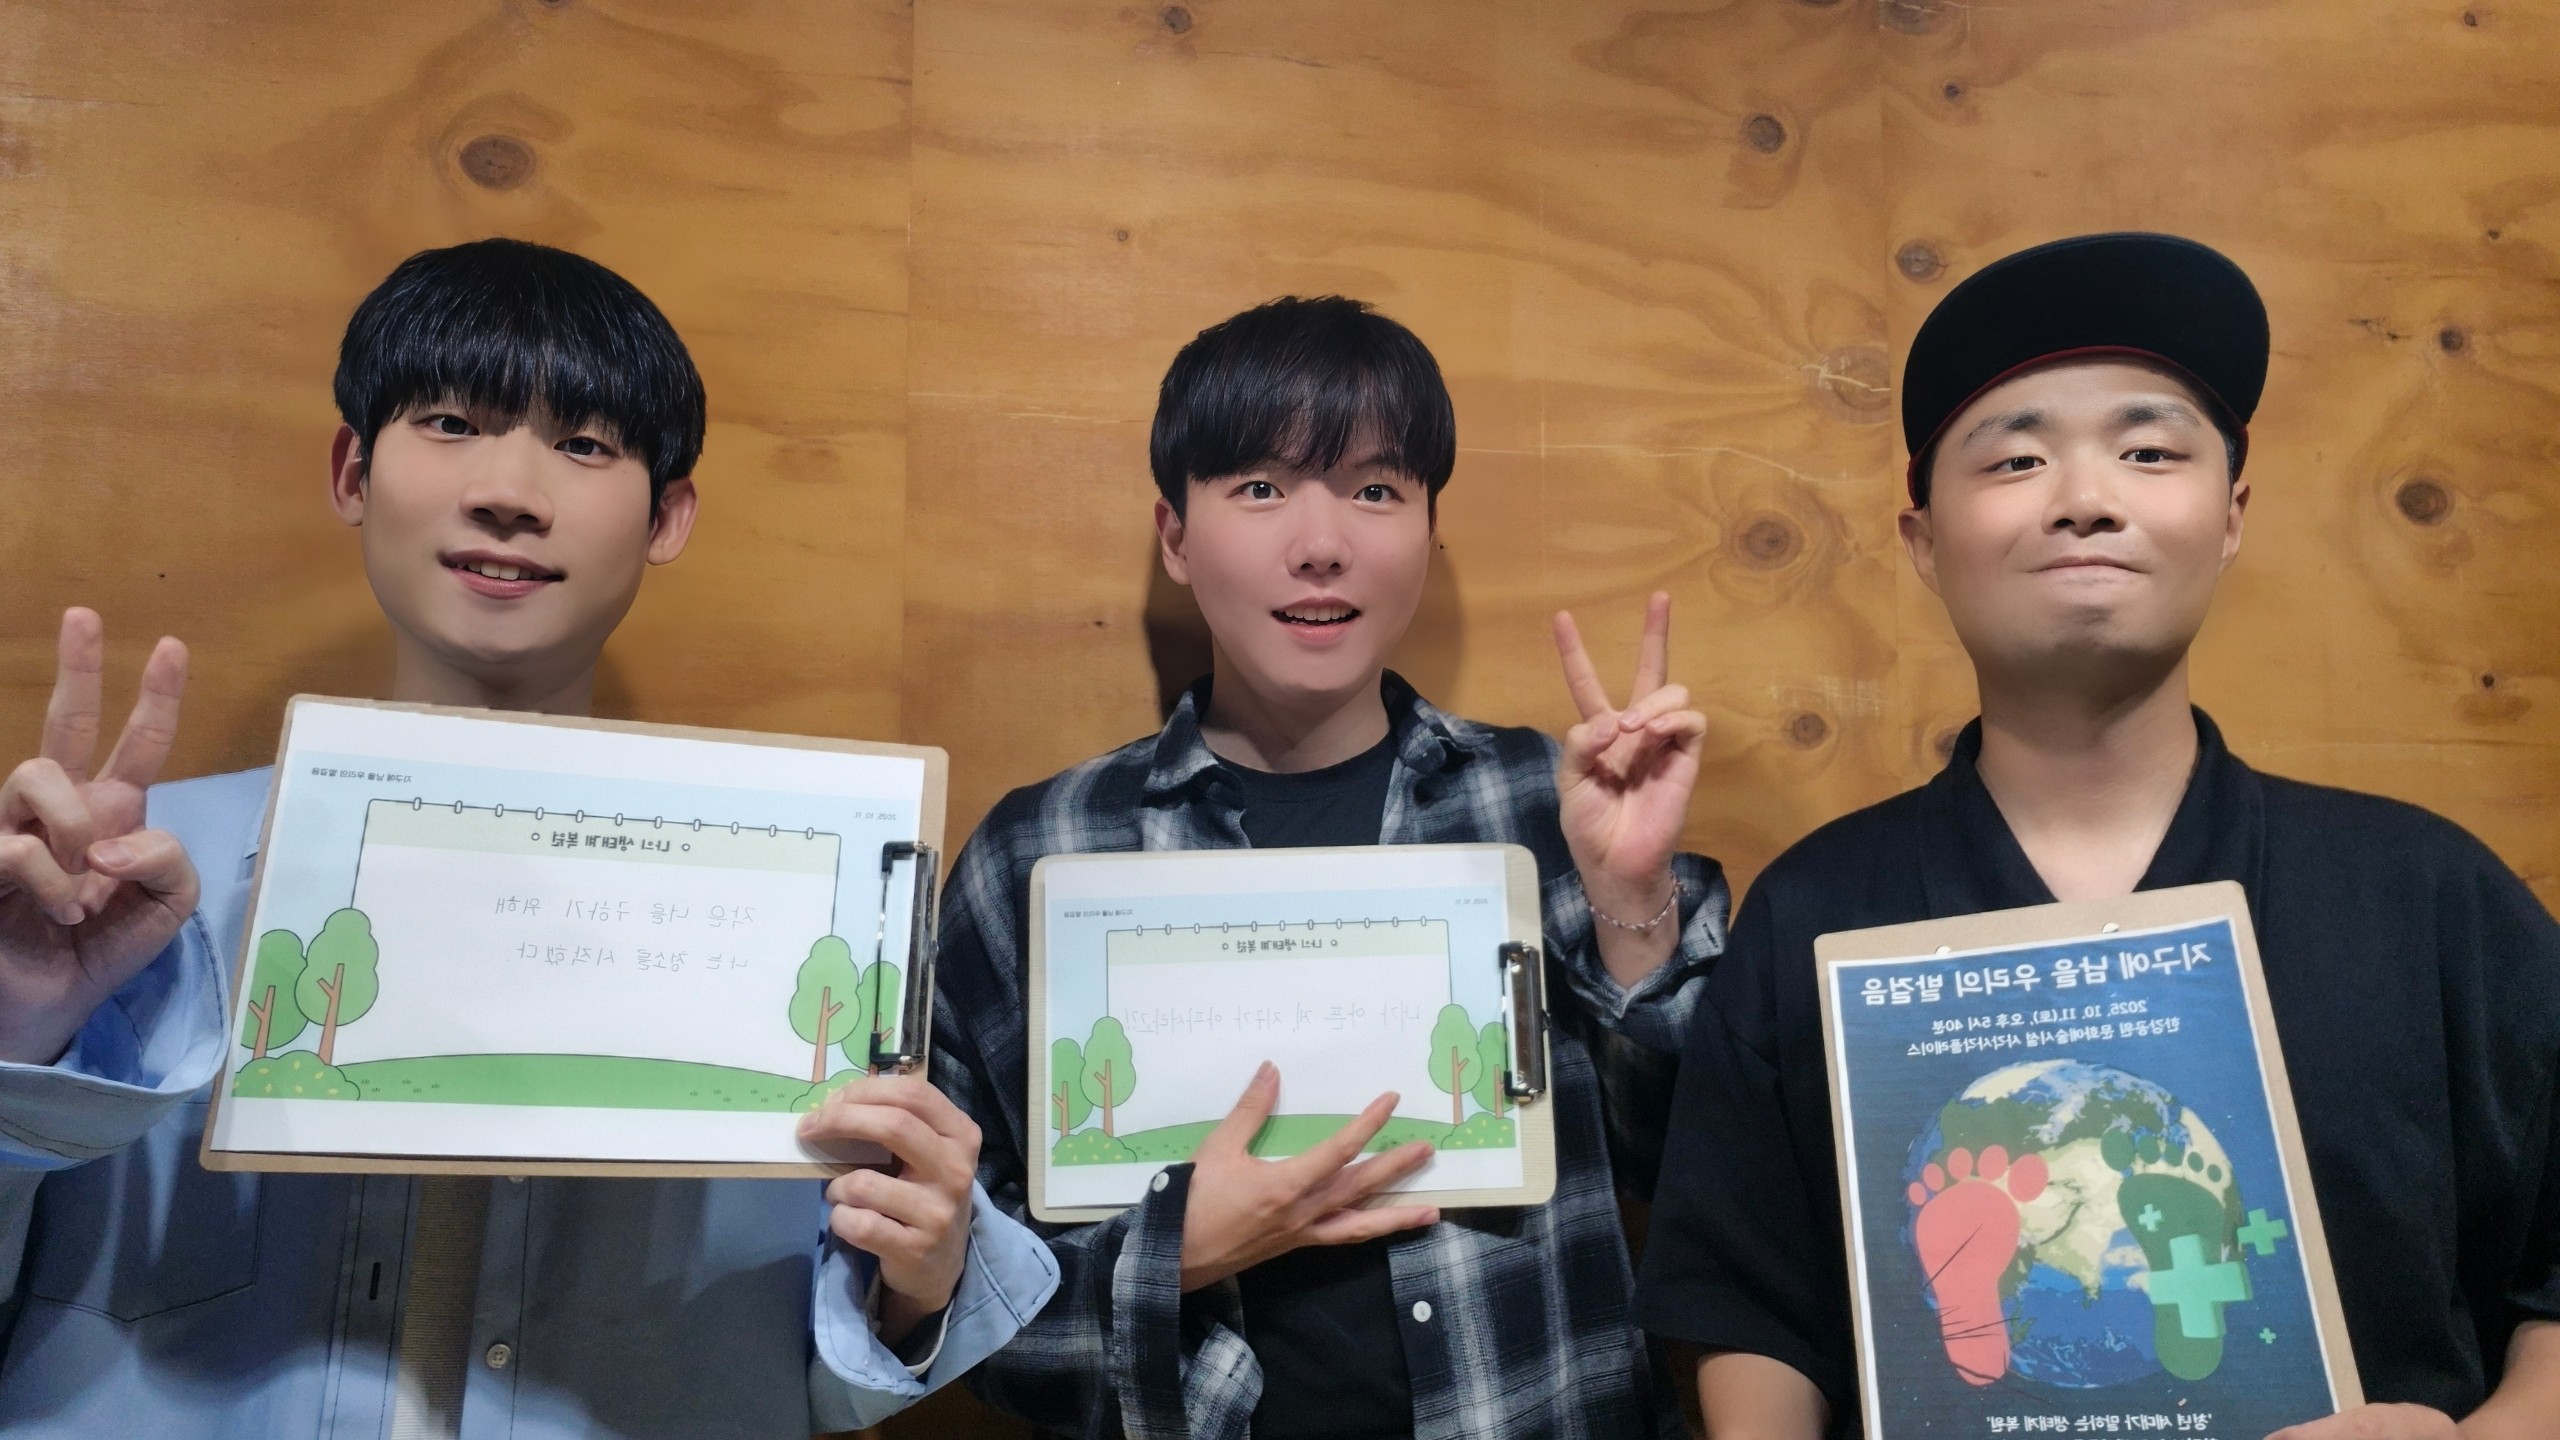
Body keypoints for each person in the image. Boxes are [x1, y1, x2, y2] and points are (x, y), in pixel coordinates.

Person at [0, 238, 1056, 1437]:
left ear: (666, 517)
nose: (508, 490)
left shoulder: (806, 907)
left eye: (585, 445)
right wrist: (21, 1027)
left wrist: (914, 1282)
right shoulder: (115, 890)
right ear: (352, 471)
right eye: (450, 423)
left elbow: (812, 1378)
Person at [1631, 232, 2560, 1440]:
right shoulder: (1818, 908)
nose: (2084, 498)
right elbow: (1744, 1302)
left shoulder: (2428, 895)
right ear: (1924, 542)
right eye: (2015, 459)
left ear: (2229, 516)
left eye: (2147, 451)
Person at [930, 295, 1726, 1439]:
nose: (1320, 544)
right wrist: (1172, 1256)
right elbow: (952, 1297)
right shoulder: (1038, 853)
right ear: (1174, 536)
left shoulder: (1549, 807)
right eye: (1259, 487)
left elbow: (1700, 1177)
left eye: (1374, 490)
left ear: (1429, 531)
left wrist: (1631, 898)